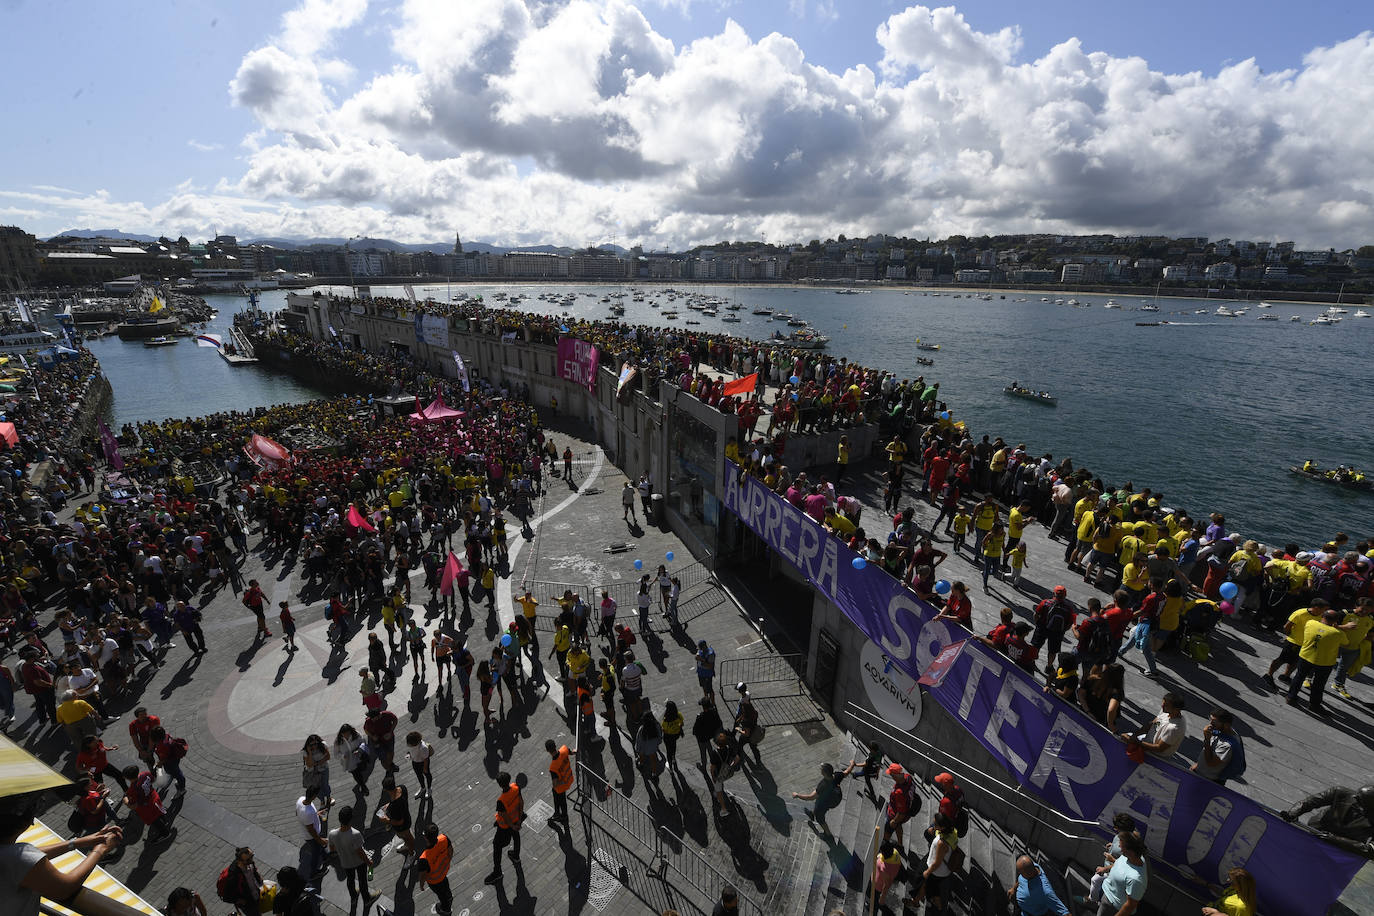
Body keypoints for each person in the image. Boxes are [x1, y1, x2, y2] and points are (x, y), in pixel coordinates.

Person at [0, 791, 123, 916]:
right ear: (27, 822)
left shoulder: (12, 854)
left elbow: (28, 856)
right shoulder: (16, 857)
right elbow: (64, 888)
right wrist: (100, 849)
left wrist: (78, 842)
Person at [1287, 605, 1351, 714]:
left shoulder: (1310, 623)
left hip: (1305, 656)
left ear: (1322, 616)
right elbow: (1346, 643)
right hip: (1324, 662)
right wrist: (1340, 627)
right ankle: (1314, 705)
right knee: (1318, 684)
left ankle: (1291, 697)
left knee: (1299, 677)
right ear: (1335, 621)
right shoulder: (1337, 633)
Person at [1280, 783, 1374, 854]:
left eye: (1360, 802)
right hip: (1317, 831)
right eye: (1356, 797)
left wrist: (1335, 839)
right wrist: (1293, 813)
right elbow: (1310, 802)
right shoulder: (1340, 792)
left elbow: (1370, 850)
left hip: (1340, 851)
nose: (1355, 800)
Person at [327, 805, 379, 911]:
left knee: (350, 880)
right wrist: (369, 862)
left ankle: (354, 897)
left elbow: (332, 848)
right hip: (359, 863)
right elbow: (360, 852)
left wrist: (336, 853)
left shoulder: (332, 833)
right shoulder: (355, 834)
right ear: (351, 819)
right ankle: (367, 899)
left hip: (345, 863)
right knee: (362, 881)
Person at [905, 812, 958, 912]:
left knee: (924, 886)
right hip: (942, 870)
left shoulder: (942, 843)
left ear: (942, 827)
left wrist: (927, 872)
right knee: (933, 889)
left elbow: (937, 862)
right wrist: (934, 830)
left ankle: (915, 902)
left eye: (935, 825)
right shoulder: (952, 831)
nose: (933, 826)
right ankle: (939, 906)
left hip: (936, 870)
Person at [791, 760, 855, 833]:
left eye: (821, 769)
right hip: (835, 797)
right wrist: (852, 764)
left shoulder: (823, 785)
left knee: (820, 818)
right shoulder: (836, 775)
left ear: (824, 773)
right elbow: (846, 772)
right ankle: (812, 814)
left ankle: (828, 834)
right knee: (818, 801)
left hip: (827, 802)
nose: (820, 770)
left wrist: (797, 795)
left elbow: (810, 797)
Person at [1120, 692, 1186, 759]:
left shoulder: (1174, 728)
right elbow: (1154, 724)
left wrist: (1135, 742)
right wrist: (1134, 735)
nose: (1162, 706)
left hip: (1155, 755)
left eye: (1166, 705)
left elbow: (1159, 748)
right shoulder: (1166, 711)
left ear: (1176, 709)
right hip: (1146, 741)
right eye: (1163, 703)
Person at [484, 771, 523, 884]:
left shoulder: (501, 801)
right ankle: (516, 855)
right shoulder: (516, 787)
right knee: (516, 837)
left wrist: (512, 826)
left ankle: (497, 872)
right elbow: (521, 803)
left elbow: (505, 817)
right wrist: (519, 821)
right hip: (517, 819)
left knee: (497, 846)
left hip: (505, 827)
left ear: (500, 784)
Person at [1096, 830, 1147, 915]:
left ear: (1130, 850)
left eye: (1121, 846)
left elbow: (1130, 906)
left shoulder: (1135, 879)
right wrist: (1105, 869)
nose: (1119, 846)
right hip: (1106, 893)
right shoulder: (1128, 857)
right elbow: (1118, 864)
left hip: (1112, 907)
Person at [1191, 709, 1245, 785]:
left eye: (1214, 722)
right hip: (1199, 771)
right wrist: (1198, 766)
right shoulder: (1222, 731)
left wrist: (1207, 739)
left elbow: (1210, 762)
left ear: (1226, 725)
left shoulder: (1227, 746)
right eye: (1210, 720)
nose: (1211, 724)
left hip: (1207, 780)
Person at [415, 824, 454, 916]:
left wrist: (421, 884)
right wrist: (447, 862)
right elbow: (451, 851)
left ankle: (446, 910)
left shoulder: (424, 858)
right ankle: (449, 896)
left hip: (435, 881)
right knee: (445, 885)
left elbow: (423, 875)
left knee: (441, 895)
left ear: (425, 838)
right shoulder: (444, 838)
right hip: (444, 872)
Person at [295, 785, 329, 880]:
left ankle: (326, 857)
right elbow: (311, 830)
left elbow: (297, 813)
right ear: (314, 796)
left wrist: (316, 814)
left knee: (318, 848)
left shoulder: (300, 800)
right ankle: (313, 873)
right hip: (311, 837)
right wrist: (320, 840)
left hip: (308, 833)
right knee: (316, 852)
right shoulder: (308, 812)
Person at [220, 846, 265, 916]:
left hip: (256, 895)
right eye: (248, 860)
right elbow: (226, 897)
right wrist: (242, 901)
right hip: (248, 904)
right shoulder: (233, 876)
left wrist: (258, 878)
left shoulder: (249, 862)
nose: (251, 860)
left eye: (252, 856)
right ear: (239, 861)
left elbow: (254, 871)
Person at [377, 776, 414, 857]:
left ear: (386, 790)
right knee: (407, 836)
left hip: (402, 826)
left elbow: (400, 821)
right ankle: (408, 845)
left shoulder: (395, 806)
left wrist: (386, 820)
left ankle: (411, 854)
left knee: (405, 836)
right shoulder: (402, 788)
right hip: (407, 817)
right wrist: (389, 805)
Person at [546, 740, 575, 826]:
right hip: (569, 778)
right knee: (558, 798)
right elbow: (571, 752)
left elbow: (555, 784)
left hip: (561, 787)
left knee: (561, 801)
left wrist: (562, 781)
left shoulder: (553, 767)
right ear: (555, 745)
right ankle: (557, 813)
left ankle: (563, 816)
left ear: (548, 751)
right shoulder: (564, 749)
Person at [693, 696, 723, 773]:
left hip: (702, 737)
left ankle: (704, 767)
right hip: (710, 735)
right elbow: (719, 723)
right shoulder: (714, 712)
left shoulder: (700, 716)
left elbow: (695, 729)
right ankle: (715, 764)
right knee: (710, 749)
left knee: (703, 752)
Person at [405, 731, 433, 800]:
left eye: (409, 744)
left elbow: (426, 759)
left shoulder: (423, 748)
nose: (408, 745)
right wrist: (408, 754)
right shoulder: (412, 744)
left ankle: (429, 788)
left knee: (427, 774)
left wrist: (425, 768)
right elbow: (410, 750)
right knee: (419, 775)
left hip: (422, 763)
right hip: (415, 762)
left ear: (415, 743)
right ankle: (423, 788)